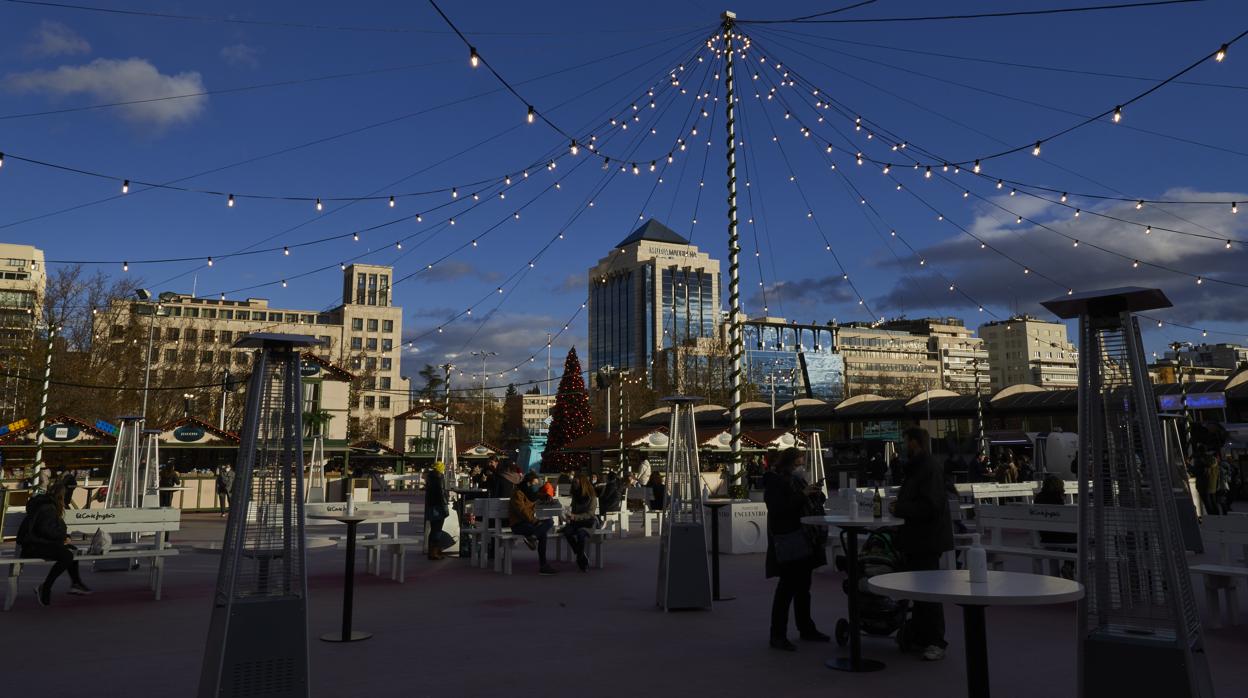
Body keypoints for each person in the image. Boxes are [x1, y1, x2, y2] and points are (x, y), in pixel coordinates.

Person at [890, 427, 954, 661]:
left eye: (905, 440)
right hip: (919, 537)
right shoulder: (921, 468)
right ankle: (920, 635)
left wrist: (901, 508)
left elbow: (931, 506)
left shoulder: (926, 469)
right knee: (920, 589)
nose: (903, 445)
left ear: (915, 443)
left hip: (926, 538)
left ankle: (936, 640)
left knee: (928, 590)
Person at [764, 447, 829, 650]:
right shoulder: (775, 481)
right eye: (800, 460)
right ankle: (778, 634)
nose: (802, 464)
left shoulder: (795, 480)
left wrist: (815, 493)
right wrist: (803, 494)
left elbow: (804, 502)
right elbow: (779, 509)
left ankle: (806, 627)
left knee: (803, 587)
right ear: (791, 462)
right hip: (791, 538)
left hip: (804, 537)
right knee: (787, 587)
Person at [19, 481, 92, 605]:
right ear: (62, 497)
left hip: (38, 543)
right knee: (67, 555)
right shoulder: (48, 507)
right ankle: (45, 587)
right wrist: (63, 538)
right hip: (34, 546)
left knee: (70, 550)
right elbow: (45, 529)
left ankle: (75, 583)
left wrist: (64, 537)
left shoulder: (48, 504)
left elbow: (50, 528)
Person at [509, 471, 556, 575]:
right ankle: (543, 565)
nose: (537, 486)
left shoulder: (530, 493)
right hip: (518, 524)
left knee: (550, 521)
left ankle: (533, 537)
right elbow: (522, 511)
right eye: (535, 484)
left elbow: (539, 495)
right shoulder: (518, 493)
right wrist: (535, 521)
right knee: (542, 533)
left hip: (529, 523)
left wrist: (546, 497)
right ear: (528, 483)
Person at [1034, 475, 1076, 578]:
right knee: (1078, 537)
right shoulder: (1057, 498)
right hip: (1059, 536)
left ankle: (1067, 567)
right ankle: (1068, 565)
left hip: (1045, 536)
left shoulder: (1038, 498)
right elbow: (1064, 518)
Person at [563, 472, 598, 572]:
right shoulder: (576, 495)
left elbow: (590, 514)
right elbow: (573, 510)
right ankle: (580, 554)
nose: (574, 485)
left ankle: (581, 560)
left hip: (588, 522)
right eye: (573, 483)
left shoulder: (591, 496)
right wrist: (568, 515)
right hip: (576, 522)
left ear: (582, 483)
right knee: (567, 532)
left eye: (576, 483)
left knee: (581, 534)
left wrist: (575, 516)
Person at [425, 462, 450, 560]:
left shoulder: (430, 477)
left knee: (433, 528)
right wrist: (445, 504)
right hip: (438, 506)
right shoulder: (439, 477)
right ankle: (435, 552)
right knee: (437, 529)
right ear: (440, 468)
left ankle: (431, 551)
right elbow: (441, 492)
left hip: (431, 505)